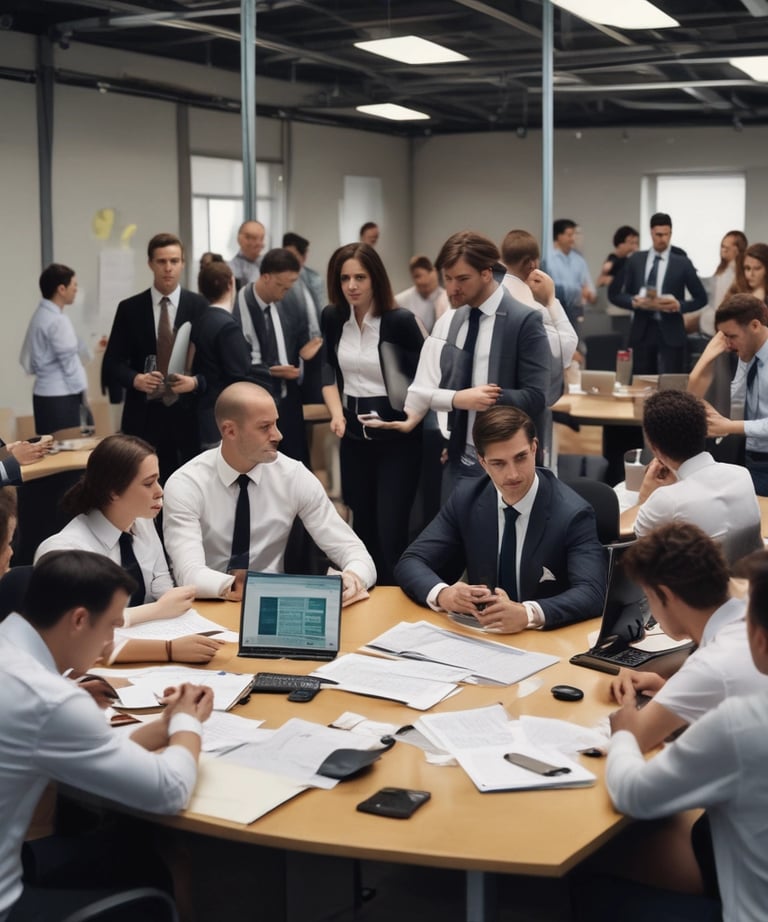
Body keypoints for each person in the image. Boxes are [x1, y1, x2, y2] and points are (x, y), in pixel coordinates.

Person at [0, 550, 213, 922]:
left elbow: (83, 749)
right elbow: (169, 790)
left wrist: (164, 726)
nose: (111, 642)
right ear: (79, 620)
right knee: (157, 873)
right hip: (9, 902)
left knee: (139, 848)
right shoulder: (51, 698)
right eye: (113, 626)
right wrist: (187, 724)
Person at [606, 538, 768, 921]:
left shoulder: (740, 720)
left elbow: (632, 794)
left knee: (599, 857)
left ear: (759, 638)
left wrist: (625, 733)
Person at [394, 406, 606, 631]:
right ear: (483, 462)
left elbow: (592, 592)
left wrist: (528, 613)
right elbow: (411, 562)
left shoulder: (573, 513)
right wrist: (444, 594)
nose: (513, 474)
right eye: (499, 463)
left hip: (546, 639)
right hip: (484, 637)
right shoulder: (467, 499)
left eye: (520, 457)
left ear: (534, 448)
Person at [162, 382, 376, 601]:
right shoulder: (186, 484)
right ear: (230, 430)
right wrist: (235, 587)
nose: (278, 435)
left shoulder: (293, 476)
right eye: (265, 427)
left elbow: (355, 553)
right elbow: (188, 574)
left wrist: (353, 577)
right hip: (206, 605)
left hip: (276, 607)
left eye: (276, 424)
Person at [383, 231, 550, 495]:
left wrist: (488, 398)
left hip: (507, 461)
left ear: (486, 273)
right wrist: (459, 407)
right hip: (459, 456)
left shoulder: (524, 320)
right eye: (447, 279)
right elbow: (430, 387)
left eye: (462, 279)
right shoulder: (450, 321)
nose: (451, 289)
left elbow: (537, 396)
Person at [34, 434, 222, 665]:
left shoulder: (140, 520)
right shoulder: (63, 551)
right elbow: (80, 633)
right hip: (94, 667)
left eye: (157, 480)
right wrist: (159, 616)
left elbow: (161, 589)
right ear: (113, 491)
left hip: (144, 650)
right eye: (147, 483)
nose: (159, 491)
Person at [320, 243, 426, 584]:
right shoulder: (333, 317)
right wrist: (336, 414)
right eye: (345, 278)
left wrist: (411, 419)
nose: (352, 286)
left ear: (375, 279)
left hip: (396, 436)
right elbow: (327, 370)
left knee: (390, 527)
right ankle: (365, 592)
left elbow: (428, 376)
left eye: (360, 278)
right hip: (352, 436)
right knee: (360, 522)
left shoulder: (399, 321)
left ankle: (398, 598)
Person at [101, 232, 208, 483]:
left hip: (187, 414)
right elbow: (112, 362)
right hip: (144, 415)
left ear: (183, 263)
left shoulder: (199, 306)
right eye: (161, 262)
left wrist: (194, 382)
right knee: (140, 484)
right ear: (150, 264)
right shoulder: (130, 308)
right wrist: (135, 379)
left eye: (174, 261)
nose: (168, 268)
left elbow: (211, 362)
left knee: (188, 486)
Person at [619, 389, 759, 539]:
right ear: (704, 431)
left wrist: (645, 500)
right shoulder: (742, 475)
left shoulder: (666, 500)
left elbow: (629, 536)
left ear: (654, 448)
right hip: (744, 562)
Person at [233, 247, 316, 464]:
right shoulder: (243, 301)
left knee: (297, 462)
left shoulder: (291, 297)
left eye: (289, 286)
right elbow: (239, 362)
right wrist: (271, 371)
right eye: (280, 286)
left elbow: (303, 336)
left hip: (290, 393)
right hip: (259, 397)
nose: (284, 292)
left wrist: (307, 353)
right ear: (265, 277)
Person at [608, 212, 708, 374]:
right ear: (651, 233)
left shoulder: (682, 262)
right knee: (641, 381)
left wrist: (679, 305)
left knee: (672, 382)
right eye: (658, 234)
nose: (663, 239)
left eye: (667, 234)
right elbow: (614, 294)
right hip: (642, 330)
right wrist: (633, 301)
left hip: (671, 330)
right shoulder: (636, 260)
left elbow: (701, 298)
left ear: (671, 233)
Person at [688, 293, 768, 494]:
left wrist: (730, 426)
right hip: (753, 456)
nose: (727, 344)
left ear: (755, 326)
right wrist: (707, 357)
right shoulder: (747, 352)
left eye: (731, 336)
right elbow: (737, 397)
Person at [184, 260, 259, 449]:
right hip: (223, 418)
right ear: (231, 283)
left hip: (201, 414)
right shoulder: (228, 326)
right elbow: (239, 377)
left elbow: (191, 366)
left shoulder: (199, 321)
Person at [19, 263, 89, 435]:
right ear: (61, 289)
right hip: (61, 397)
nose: (76, 290)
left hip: (43, 396)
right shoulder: (58, 320)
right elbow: (70, 363)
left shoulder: (40, 315)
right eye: (74, 285)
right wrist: (84, 395)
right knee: (66, 455)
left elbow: (25, 360)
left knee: (49, 451)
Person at [688, 230, 748, 337]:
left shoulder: (738, 272)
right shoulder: (722, 269)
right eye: (722, 247)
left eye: (726, 247)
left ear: (738, 249)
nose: (723, 250)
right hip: (712, 314)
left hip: (721, 319)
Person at [542, 218, 596, 326]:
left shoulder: (579, 261)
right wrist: (578, 292)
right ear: (559, 236)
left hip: (575, 313)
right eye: (569, 235)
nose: (573, 238)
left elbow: (589, 290)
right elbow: (547, 289)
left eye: (574, 235)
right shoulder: (547, 259)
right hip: (553, 312)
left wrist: (590, 294)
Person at [394, 255, 450, 333]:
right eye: (416, 277)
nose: (421, 281)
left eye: (428, 284)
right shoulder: (400, 300)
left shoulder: (447, 298)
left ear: (434, 273)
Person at [595, 225, 639, 289]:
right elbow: (600, 281)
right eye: (631, 243)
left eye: (636, 243)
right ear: (620, 244)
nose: (635, 247)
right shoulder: (613, 260)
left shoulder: (631, 261)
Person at [229, 219, 265, 288]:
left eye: (261, 238)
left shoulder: (269, 263)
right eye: (252, 238)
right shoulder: (230, 269)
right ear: (240, 239)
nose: (258, 243)